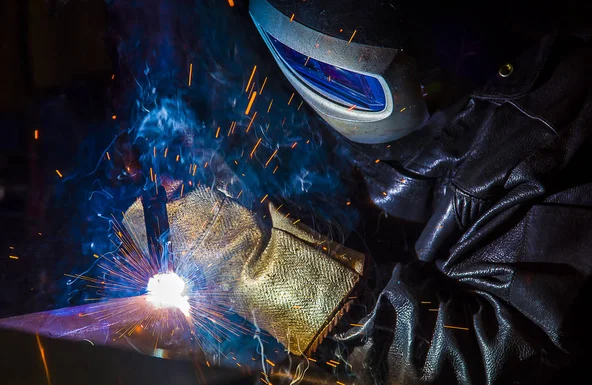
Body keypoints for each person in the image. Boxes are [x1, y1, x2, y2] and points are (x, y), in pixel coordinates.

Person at [248, 0, 592, 384]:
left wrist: (306, 292)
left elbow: (497, 358)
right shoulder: (290, 36)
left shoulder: (560, 135)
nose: (323, 80)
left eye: (343, 77)